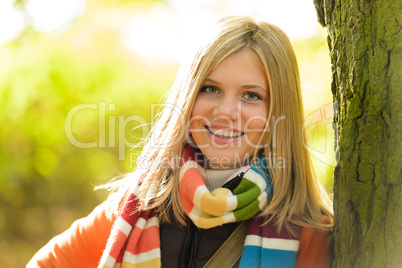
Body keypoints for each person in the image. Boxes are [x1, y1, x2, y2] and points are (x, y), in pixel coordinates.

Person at [28, 16, 333, 268]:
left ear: (279, 110)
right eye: (210, 89)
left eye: (251, 96)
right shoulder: (141, 205)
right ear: (187, 98)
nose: (225, 111)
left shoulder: (308, 228)